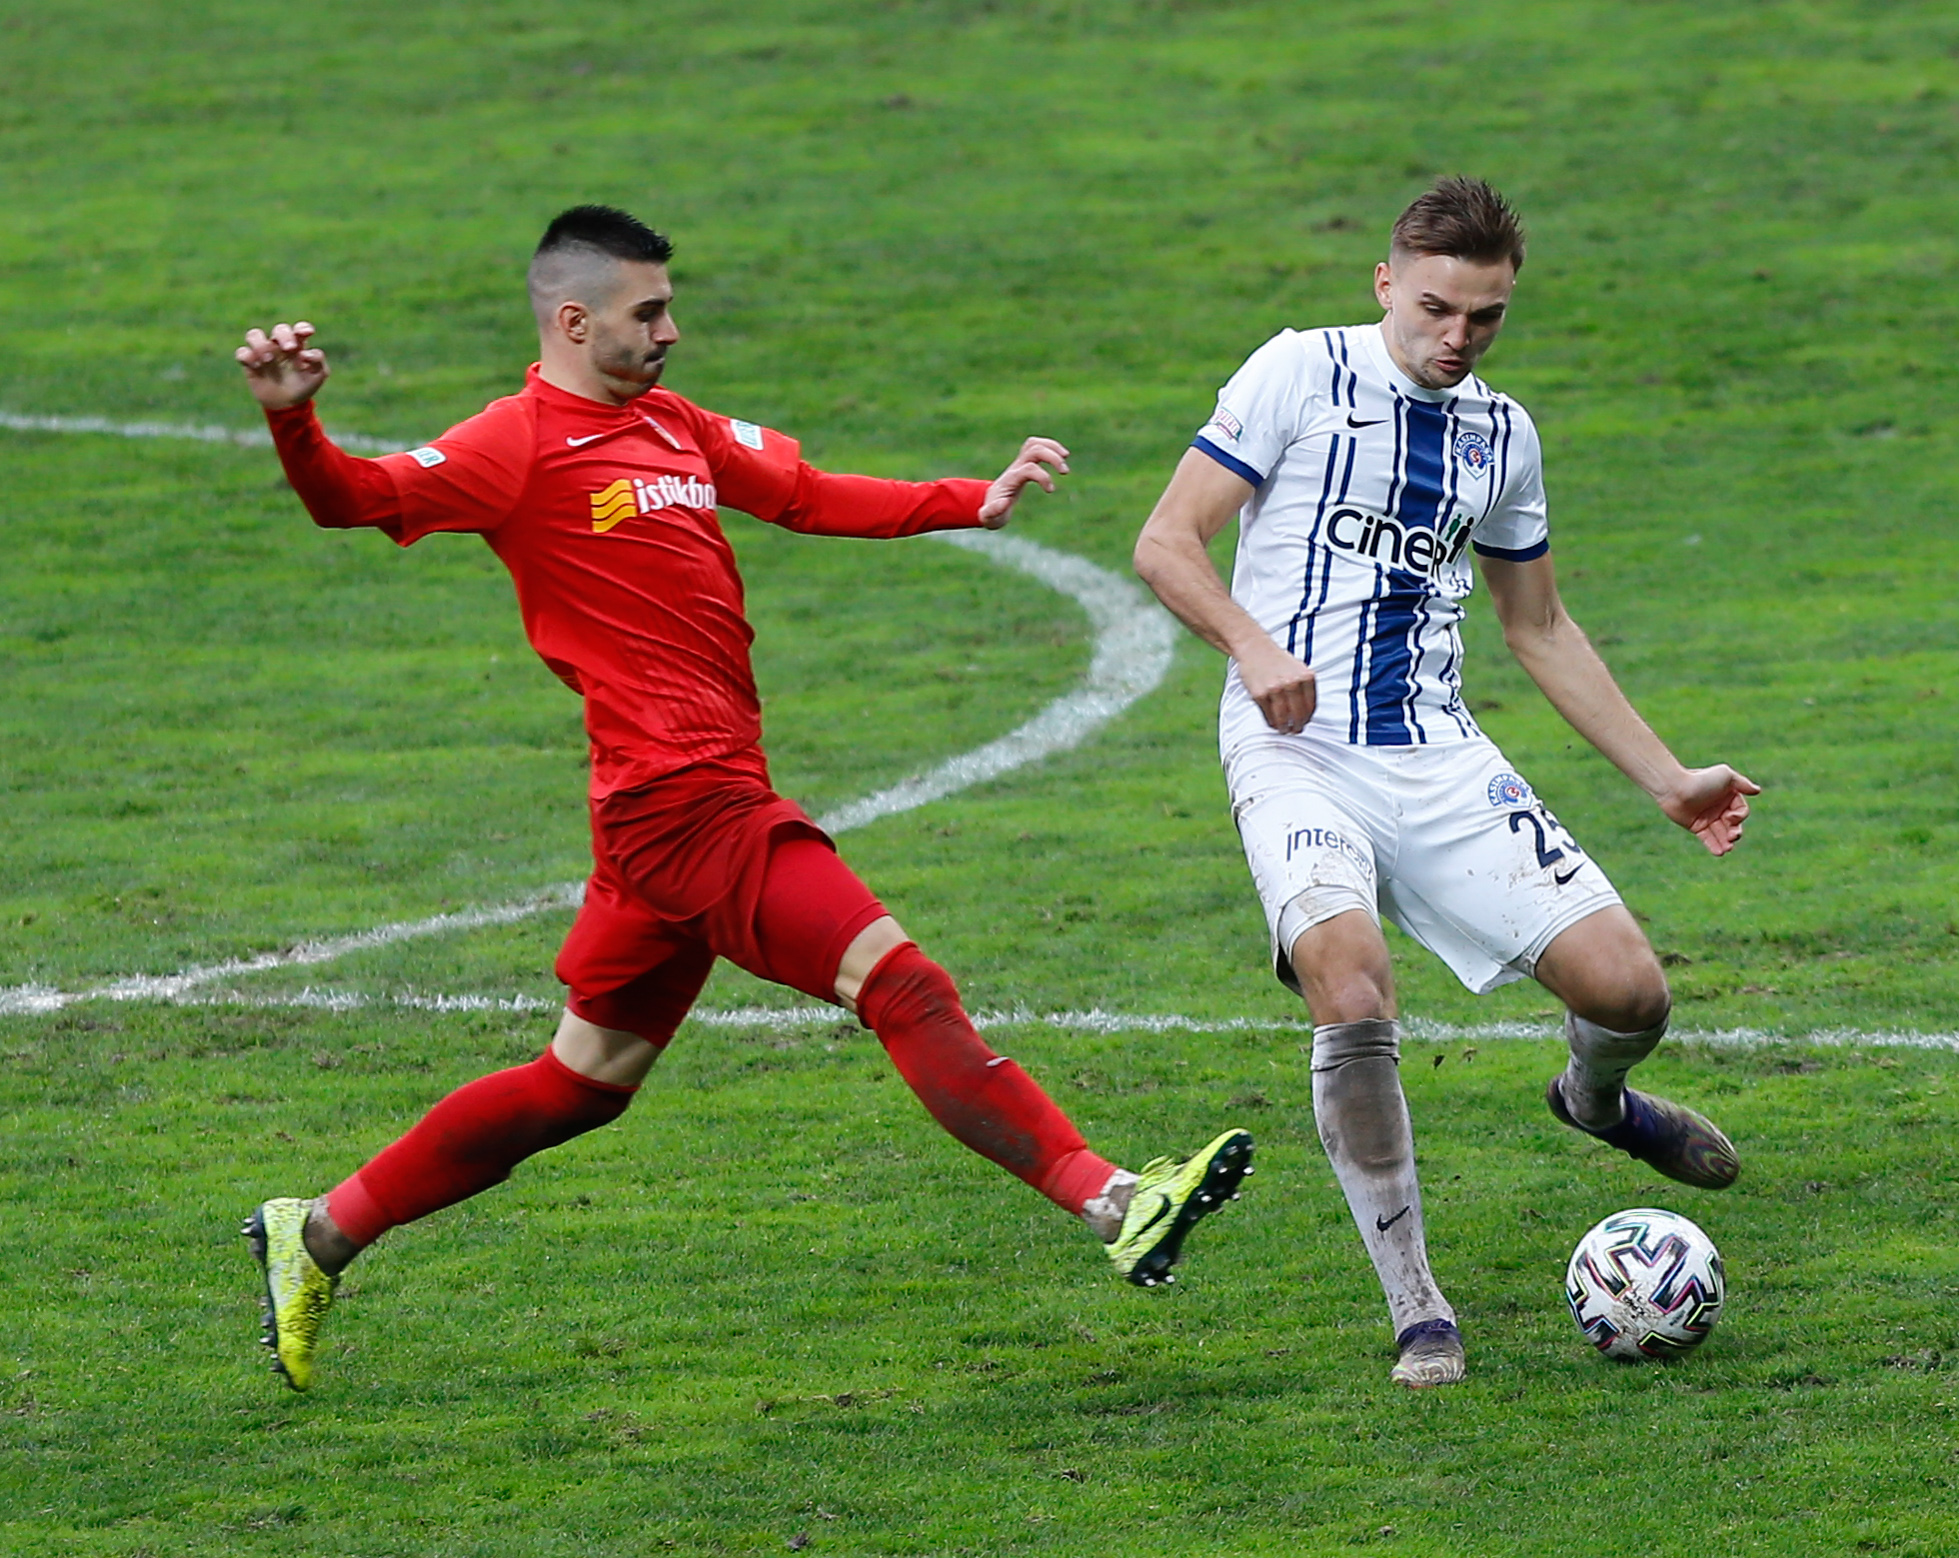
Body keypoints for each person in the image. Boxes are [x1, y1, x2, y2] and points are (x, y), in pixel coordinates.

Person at [236, 205, 1251, 1392]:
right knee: (902, 984)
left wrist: (967, 498)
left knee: (579, 1084)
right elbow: (353, 497)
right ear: (575, 321)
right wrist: (294, 417)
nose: (672, 330)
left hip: (667, 811)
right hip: (685, 803)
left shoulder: (675, 424)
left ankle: (316, 1232)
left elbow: (805, 492)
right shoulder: (514, 444)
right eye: (649, 312)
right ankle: (1115, 1200)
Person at [1131, 177, 1754, 1389]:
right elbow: (1166, 540)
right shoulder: (1299, 372)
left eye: (1486, 316)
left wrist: (1669, 778)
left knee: (1632, 994)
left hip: (1437, 752)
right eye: (1435, 308)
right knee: (1351, 980)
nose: (1458, 336)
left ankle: (1597, 1102)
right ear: (1385, 283)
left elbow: (1541, 626)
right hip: (1295, 750)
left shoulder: (1502, 436)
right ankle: (1418, 1306)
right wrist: (1254, 649)